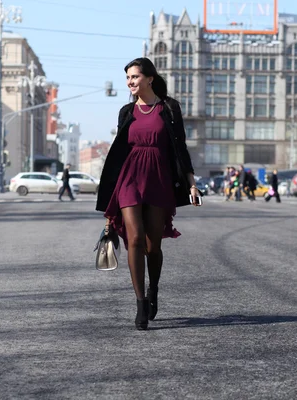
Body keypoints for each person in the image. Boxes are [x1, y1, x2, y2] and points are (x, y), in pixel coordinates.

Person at [96, 57, 201, 331]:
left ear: (150, 78)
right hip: (129, 177)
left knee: (153, 246)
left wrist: (191, 183)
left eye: (135, 77)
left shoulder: (168, 108)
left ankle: (153, 289)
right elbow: (119, 151)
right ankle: (140, 302)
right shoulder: (126, 112)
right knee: (134, 239)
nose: (130, 82)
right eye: (128, 78)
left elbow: (180, 149)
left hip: (158, 178)